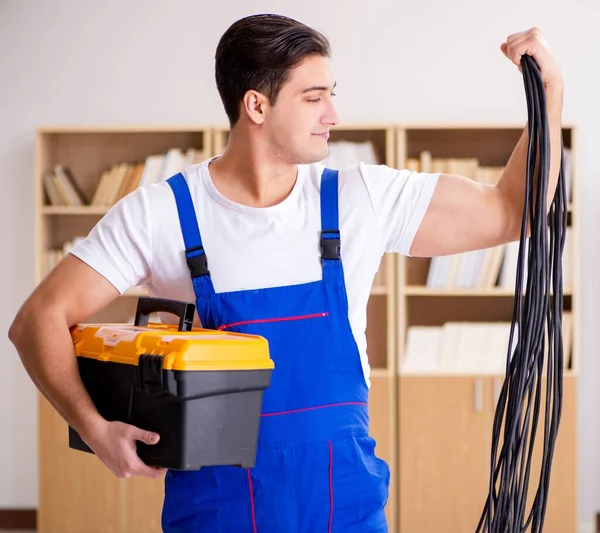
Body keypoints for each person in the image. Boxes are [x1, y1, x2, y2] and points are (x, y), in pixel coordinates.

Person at [8, 13, 563, 533]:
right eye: (314, 97)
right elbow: (38, 320)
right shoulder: (161, 215)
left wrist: (551, 93)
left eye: (332, 97)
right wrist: (93, 427)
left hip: (345, 508)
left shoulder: (359, 199)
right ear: (257, 105)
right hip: (216, 513)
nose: (334, 115)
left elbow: (514, 212)